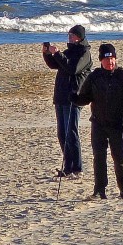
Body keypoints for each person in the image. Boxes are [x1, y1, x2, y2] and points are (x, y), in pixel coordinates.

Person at [73, 43, 123, 200]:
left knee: (119, 157)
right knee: (99, 156)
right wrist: (75, 99)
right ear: (101, 60)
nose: (110, 62)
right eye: (107, 59)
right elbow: (85, 98)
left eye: (113, 59)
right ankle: (99, 190)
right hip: (98, 123)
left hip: (118, 124)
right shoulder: (95, 76)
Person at [42, 24, 92, 178]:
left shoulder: (85, 53)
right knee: (62, 133)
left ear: (79, 36)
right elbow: (55, 65)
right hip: (61, 96)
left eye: (72, 35)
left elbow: (73, 68)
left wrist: (57, 53)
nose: (69, 37)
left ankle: (77, 168)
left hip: (73, 97)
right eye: (69, 34)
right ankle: (68, 167)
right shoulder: (69, 51)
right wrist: (47, 54)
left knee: (71, 132)